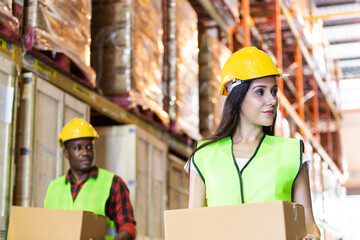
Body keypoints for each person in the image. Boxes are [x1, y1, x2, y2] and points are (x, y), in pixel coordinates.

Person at [187, 46, 320, 239]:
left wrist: (313, 235)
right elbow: (193, 225)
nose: (272, 100)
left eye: (273, 91)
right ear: (237, 97)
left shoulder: (291, 154)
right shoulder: (204, 157)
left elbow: (308, 223)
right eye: (260, 92)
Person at [44, 118, 136, 240]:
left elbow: (128, 228)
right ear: (66, 153)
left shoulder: (113, 184)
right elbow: (46, 229)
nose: (85, 152)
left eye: (89, 147)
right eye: (78, 148)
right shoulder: (53, 188)